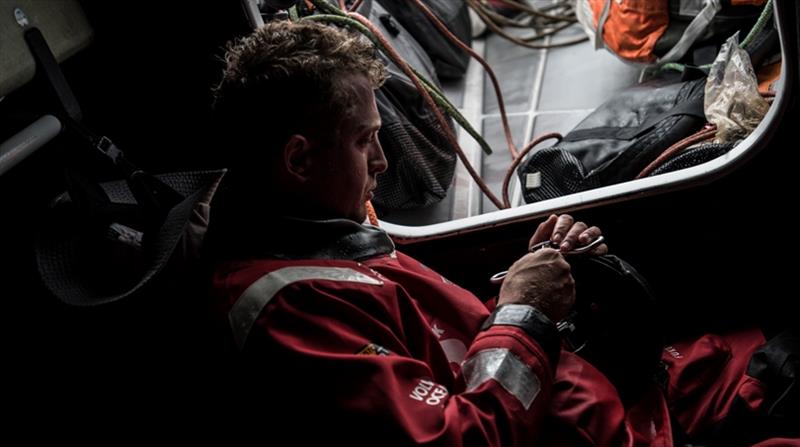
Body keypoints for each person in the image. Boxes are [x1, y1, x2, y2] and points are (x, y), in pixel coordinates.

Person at [206, 20, 797, 446]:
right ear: (299, 160)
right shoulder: (290, 314)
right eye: (365, 141)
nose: (384, 163)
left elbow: (454, 345)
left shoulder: (323, 229)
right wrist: (525, 313)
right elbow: (465, 434)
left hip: (624, 395)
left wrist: (544, 276)